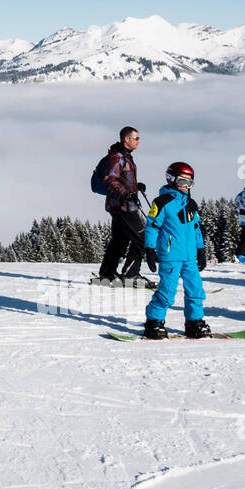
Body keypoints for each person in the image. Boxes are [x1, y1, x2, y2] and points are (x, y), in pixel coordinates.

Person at [141, 162, 209, 339]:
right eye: (182, 181)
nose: (185, 187)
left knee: (196, 290)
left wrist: (201, 250)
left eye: (189, 183)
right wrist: (150, 248)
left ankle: (194, 323)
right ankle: (154, 322)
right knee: (167, 291)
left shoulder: (191, 204)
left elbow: (196, 228)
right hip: (171, 255)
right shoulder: (162, 202)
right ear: (171, 179)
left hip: (190, 257)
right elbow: (152, 227)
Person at [97, 127, 148, 286]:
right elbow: (110, 179)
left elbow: (120, 178)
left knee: (119, 241)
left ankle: (106, 275)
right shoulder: (117, 156)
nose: (139, 141)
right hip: (123, 206)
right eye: (136, 138)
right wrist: (126, 193)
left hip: (120, 205)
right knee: (142, 238)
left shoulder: (125, 156)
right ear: (126, 139)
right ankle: (130, 275)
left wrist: (135, 186)